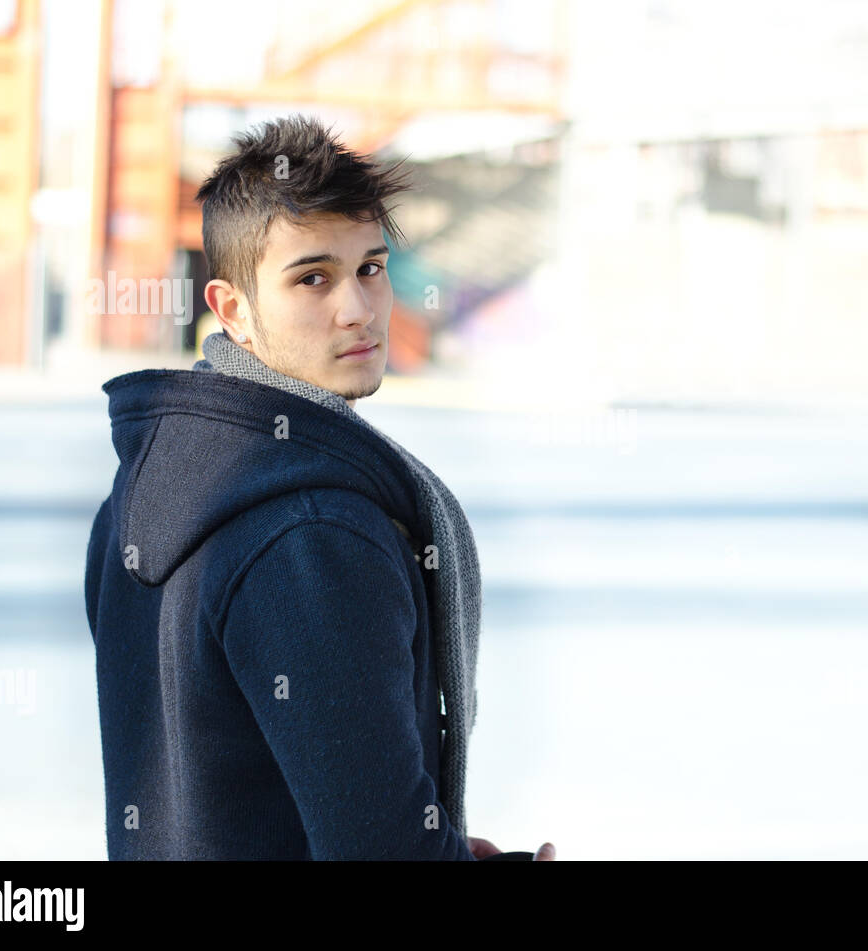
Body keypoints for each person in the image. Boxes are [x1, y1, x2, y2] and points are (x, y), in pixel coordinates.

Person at [84, 113, 553, 861]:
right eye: (313, 278)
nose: (358, 309)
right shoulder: (317, 534)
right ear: (233, 310)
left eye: (370, 267)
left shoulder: (136, 499)